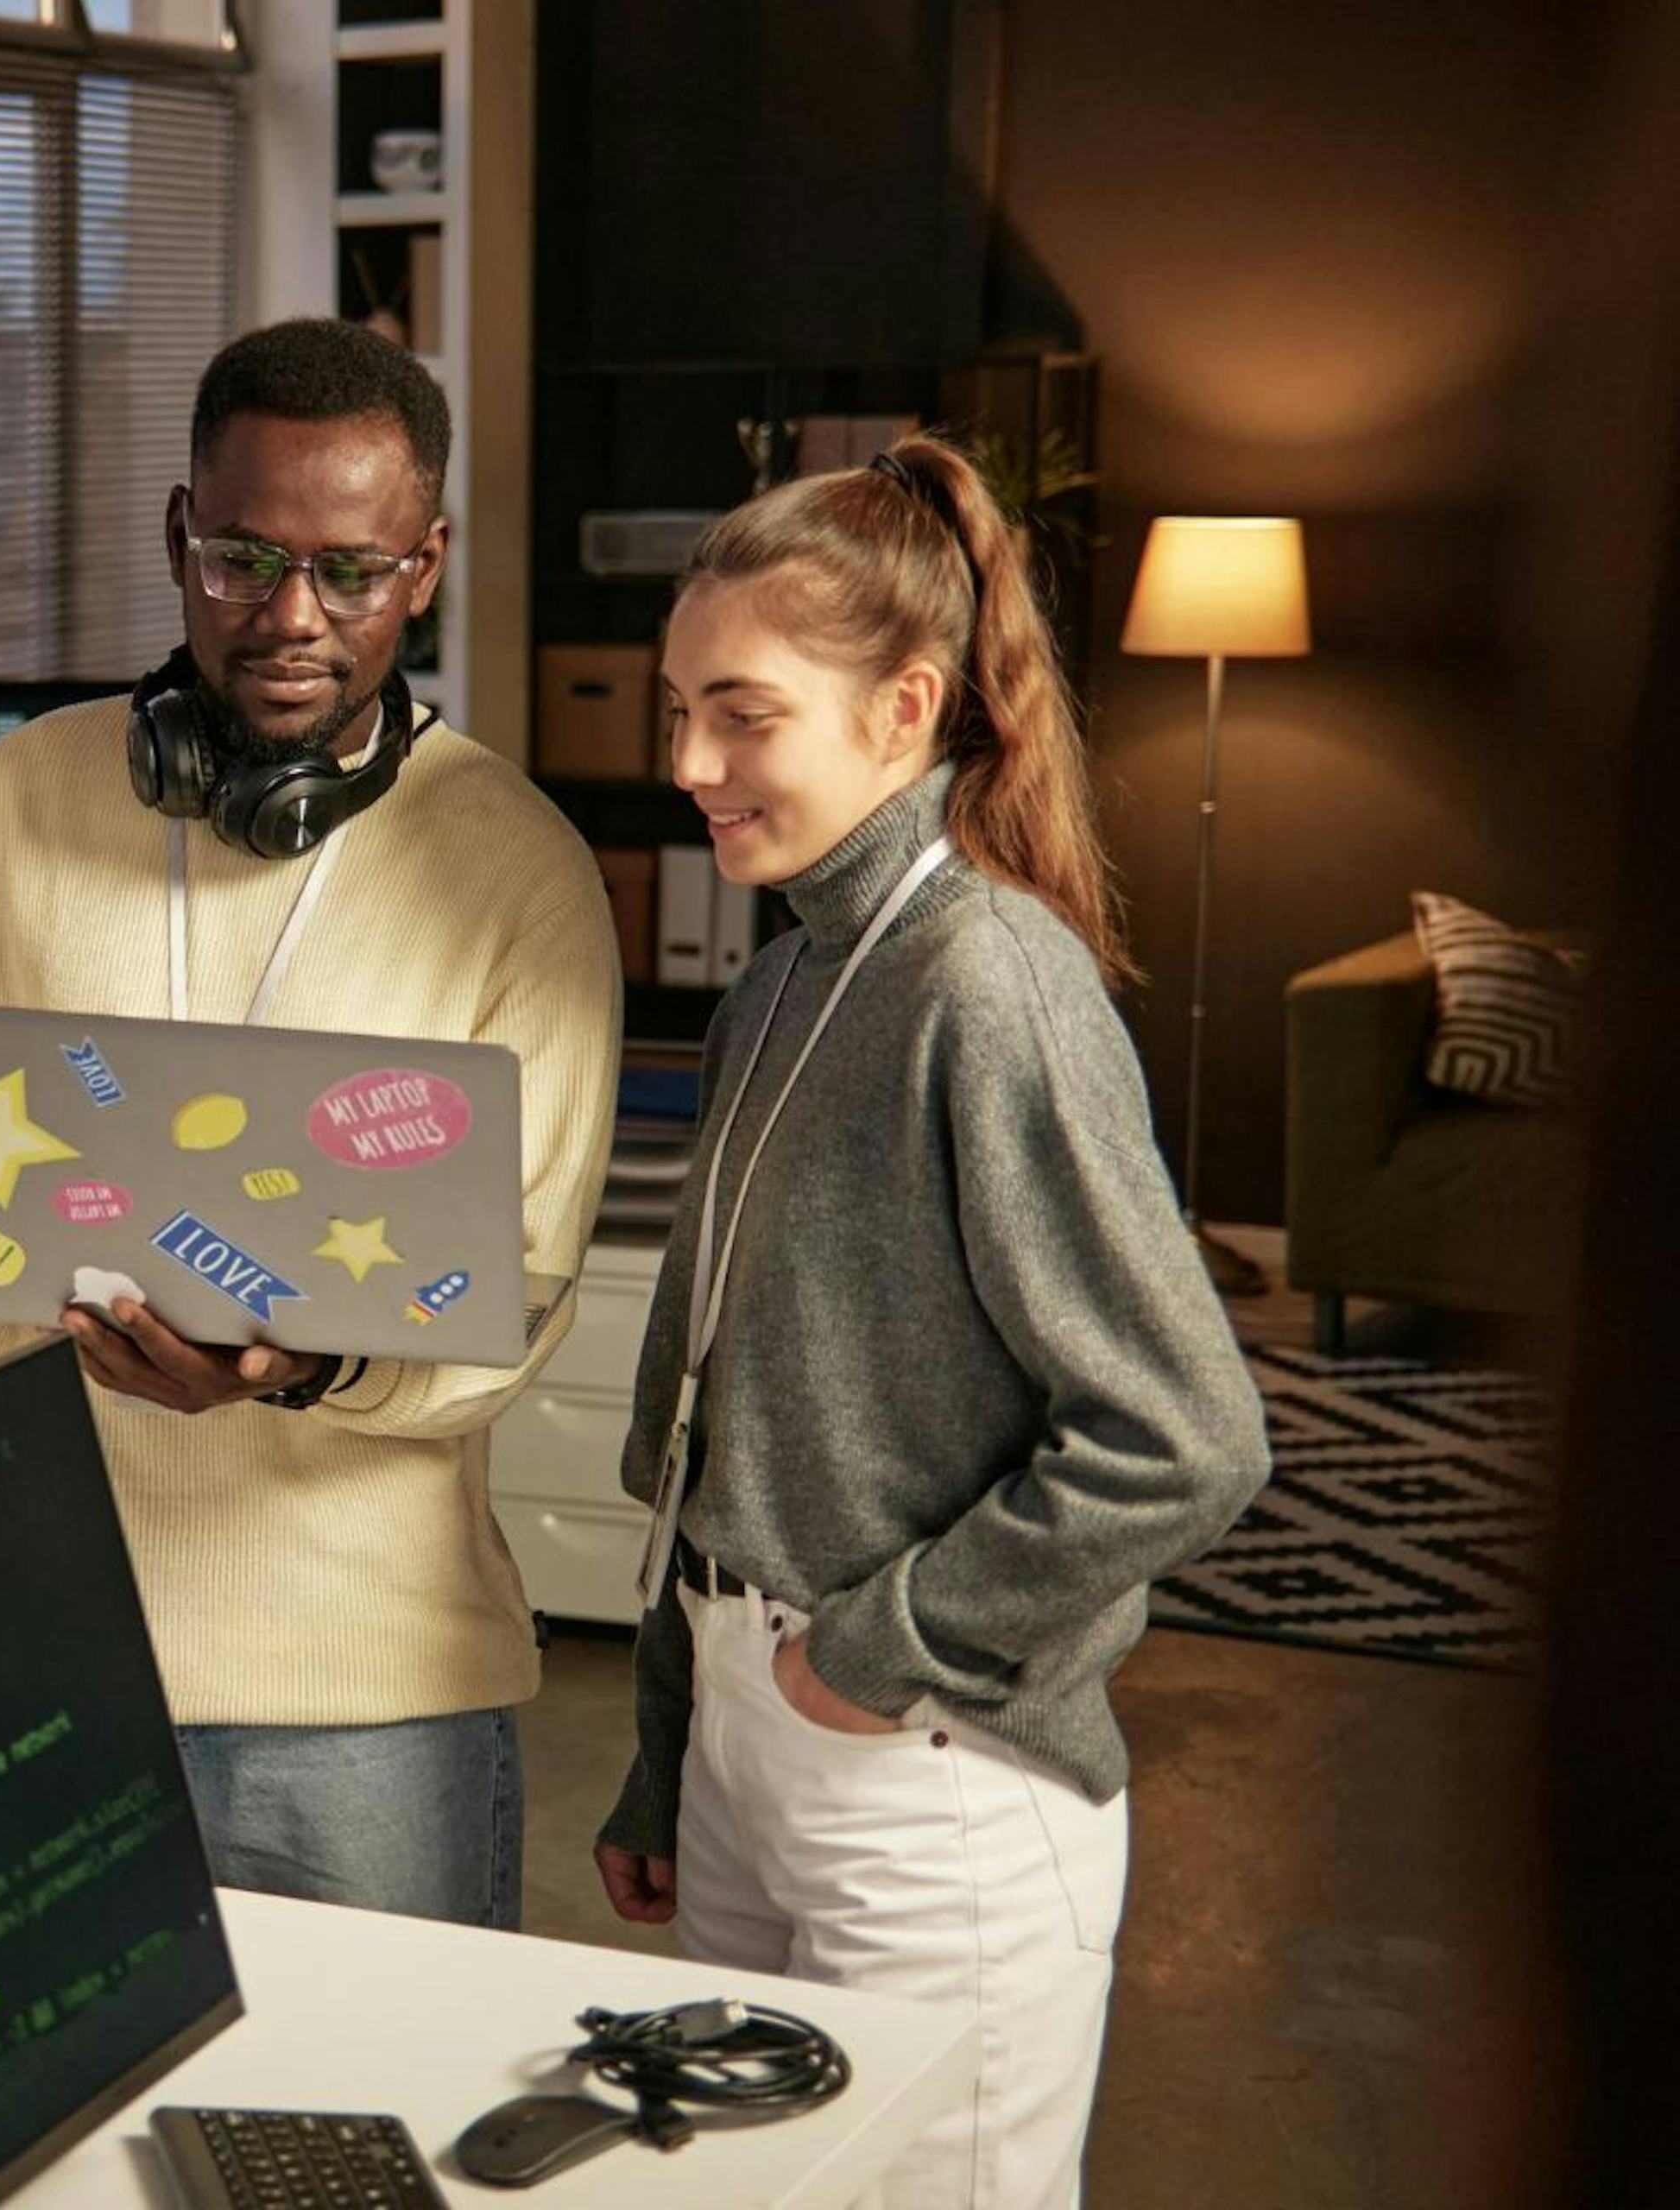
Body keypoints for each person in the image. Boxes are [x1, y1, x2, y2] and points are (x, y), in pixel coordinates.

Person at [0, 319, 623, 1928]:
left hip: (367, 1701)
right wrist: (25, 1235)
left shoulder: (519, 872)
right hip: (42, 1644)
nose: (291, 619)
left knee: (376, 2159)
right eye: (244, 559)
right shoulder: (8, 805)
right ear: (177, 531)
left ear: (429, 566)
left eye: (354, 571)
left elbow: (523, 1296)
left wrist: (300, 1364)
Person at [587, 434, 1273, 2207]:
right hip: (756, 1739)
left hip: (935, 1775)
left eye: (742, 714)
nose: (687, 764)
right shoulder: (790, 972)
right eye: (679, 708)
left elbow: (1185, 1436)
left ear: (903, 709)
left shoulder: (989, 980)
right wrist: (677, 1750)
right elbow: (718, 1422)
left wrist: (870, 1649)